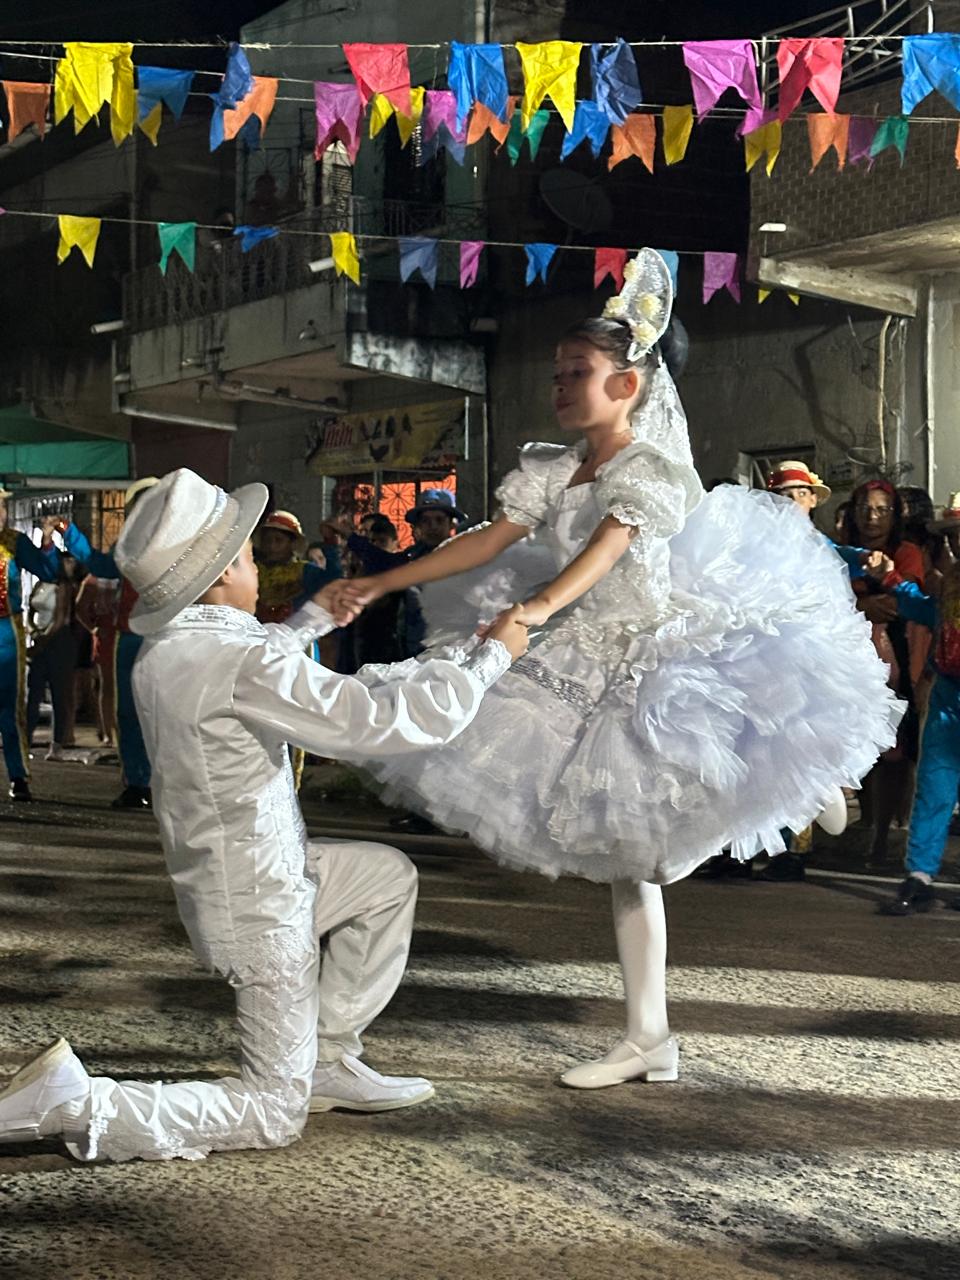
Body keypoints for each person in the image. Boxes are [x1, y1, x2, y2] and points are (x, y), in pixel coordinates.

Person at [331, 249, 901, 1089]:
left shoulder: (645, 468)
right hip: (579, 652)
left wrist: (535, 608)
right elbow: (487, 543)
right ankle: (649, 1037)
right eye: (557, 373)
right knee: (632, 861)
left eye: (579, 372)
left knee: (657, 835)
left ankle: (800, 782)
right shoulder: (553, 469)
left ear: (629, 385)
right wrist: (381, 581)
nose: (560, 385)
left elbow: (607, 548)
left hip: (648, 651)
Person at [0, 467, 527, 1161]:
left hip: (248, 878)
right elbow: (377, 719)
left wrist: (314, 618)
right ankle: (75, 1101)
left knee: (385, 877)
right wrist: (491, 658)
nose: (258, 568)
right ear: (223, 575)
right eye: (249, 557)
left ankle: (326, 1056)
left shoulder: (166, 654)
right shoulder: (237, 660)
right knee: (271, 1114)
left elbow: (249, 661)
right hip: (262, 910)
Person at [862, 496, 960, 914]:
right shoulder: (951, 580)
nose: (957, 543)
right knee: (935, 785)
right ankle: (919, 876)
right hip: (949, 695)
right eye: (953, 536)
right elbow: (928, 611)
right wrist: (890, 579)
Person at [60, 478, 160, 810]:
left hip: (168, 636)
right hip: (129, 635)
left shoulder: (182, 543)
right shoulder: (127, 545)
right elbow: (101, 565)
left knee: (167, 712)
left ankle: (166, 781)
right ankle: (137, 782)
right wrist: (70, 535)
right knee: (127, 712)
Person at [842, 480, 927, 866]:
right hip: (846, 657)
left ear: (894, 516)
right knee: (857, 745)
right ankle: (867, 822)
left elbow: (902, 601)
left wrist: (861, 602)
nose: (872, 517)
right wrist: (863, 605)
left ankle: (881, 834)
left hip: (895, 657)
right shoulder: (841, 551)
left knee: (893, 750)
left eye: (881, 510)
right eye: (865, 508)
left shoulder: (906, 553)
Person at [0, 493, 64, 801]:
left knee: (10, 706)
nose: (0, 513)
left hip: (6, 631)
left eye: (1, 507)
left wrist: (48, 541)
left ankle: (19, 775)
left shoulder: (15, 542)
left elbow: (48, 572)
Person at [26, 553, 82, 759]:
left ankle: (57, 743)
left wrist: (43, 640)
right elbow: (31, 609)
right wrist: (33, 630)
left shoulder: (63, 586)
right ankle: (26, 740)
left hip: (59, 641)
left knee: (59, 694)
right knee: (34, 692)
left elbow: (60, 618)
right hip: (40, 637)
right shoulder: (40, 584)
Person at [254, 510, 338, 628]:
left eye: (279, 540)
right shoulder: (253, 571)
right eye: (267, 540)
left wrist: (329, 542)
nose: (272, 546)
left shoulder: (305, 571)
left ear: (293, 543)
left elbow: (334, 582)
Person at [406, 490, 467, 560]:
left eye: (440, 520)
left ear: (452, 524)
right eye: (425, 520)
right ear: (419, 525)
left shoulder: (465, 558)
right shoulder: (406, 559)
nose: (433, 526)